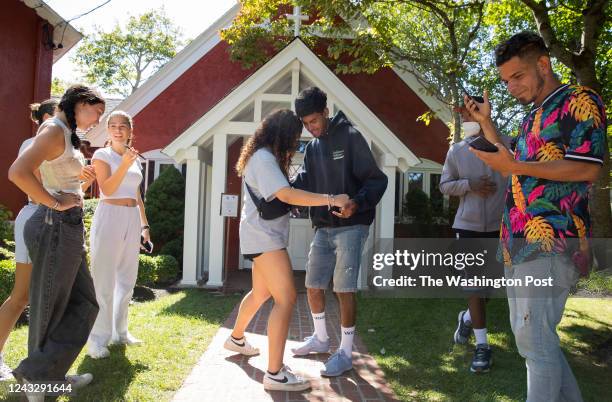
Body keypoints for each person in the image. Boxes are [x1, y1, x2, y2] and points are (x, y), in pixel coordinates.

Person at [466, 32, 605, 401]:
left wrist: (513, 163)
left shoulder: (579, 100)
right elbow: (517, 163)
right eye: (505, 81)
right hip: (517, 243)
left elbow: (588, 168)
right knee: (535, 342)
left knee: (535, 345)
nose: (511, 87)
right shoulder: (533, 116)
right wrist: (485, 123)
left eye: (518, 76)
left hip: (551, 242)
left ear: (543, 65)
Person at [224, 109, 351, 392]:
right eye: (294, 137)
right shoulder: (265, 159)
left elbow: (281, 195)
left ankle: (236, 338)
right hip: (265, 239)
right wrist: (332, 198)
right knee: (286, 298)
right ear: (283, 135)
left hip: (259, 237)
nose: (295, 144)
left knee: (261, 293)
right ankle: (275, 373)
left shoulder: (262, 156)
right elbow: (286, 194)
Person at [8, 84, 105, 400]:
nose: (97, 121)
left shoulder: (64, 132)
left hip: (68, 225)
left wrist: (79, 183)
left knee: (85, 302)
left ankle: (45, 373)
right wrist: (53, 202)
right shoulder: (52, 130)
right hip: (54, 225)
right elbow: (18, 172)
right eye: (96, 112)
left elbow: (55, 173)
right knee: (48, 306)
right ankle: (40, 381)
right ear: (80, 103)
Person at [290, 87, 388, 377]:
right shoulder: (312, 148)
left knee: (344, 289)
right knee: (312, 284)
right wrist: (285, 186)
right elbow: (305, 182)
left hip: (351, 226)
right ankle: (321, 338)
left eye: (314, 121)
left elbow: (376, 179)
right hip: (323, 226)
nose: (311, 128)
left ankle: (345, 353)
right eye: (306, 124)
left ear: (325, 113)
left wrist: (356, 204)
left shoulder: (351, 137)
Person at [439, 102, 509, 373]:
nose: (467, 117)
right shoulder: (456, 151)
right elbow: (444, 185)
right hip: (466, 227)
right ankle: (482, 346)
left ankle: (467, 319)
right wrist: (470, 186)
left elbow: (519, 172)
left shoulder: (504, 145)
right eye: (465, 114)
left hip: (497, 227)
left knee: (488, 290)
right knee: (474, 286)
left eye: (471, 112)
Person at [87, 111, 150, 359]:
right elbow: (107, 188)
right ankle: (97, 339)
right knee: (103, 280)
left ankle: (120, 332)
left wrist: (144, 225)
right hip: (109, 215)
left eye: (123, 126)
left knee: (126, 278)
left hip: (131, 218)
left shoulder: (135, 159)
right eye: (112, 126)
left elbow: (137, 195)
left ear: (130, 130)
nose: (117, 130)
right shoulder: (102, 155)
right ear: (108, 130)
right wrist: (123, 164)